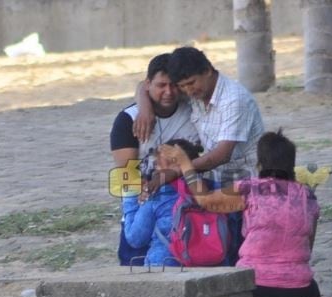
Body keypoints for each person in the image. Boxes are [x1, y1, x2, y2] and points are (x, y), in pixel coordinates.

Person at [135, 46, 265, 265]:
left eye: (191, 83)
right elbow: (146, 84)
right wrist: (145, 107)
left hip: (244, 187)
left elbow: (221, 155)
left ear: (207, 71)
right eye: (183, 86)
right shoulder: (195, 94)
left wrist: (175, 171)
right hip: (209, 185)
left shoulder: (234, 100)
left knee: (235, 253)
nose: (188, 90)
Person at [159, 130, 322, 297]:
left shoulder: (250, 189)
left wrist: (185, 164)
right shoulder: (308, 196)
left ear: (260, 164)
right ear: (292, 164)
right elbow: (307, 247)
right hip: (301, 288)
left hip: (255, 285)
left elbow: (204, 199)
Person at [110, 53, 199, 266]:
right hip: (145, 207)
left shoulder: (194, 111)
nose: (168, 92)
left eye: (174, 85)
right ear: (148, 84)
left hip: (188, 207)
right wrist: (137, 205)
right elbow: (127, 172)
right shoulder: (128, 120)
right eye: (161, 85)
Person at [122, 139, 203, 266]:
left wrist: (130, 197)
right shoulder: (207, 188)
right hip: (207, 262)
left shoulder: (158, 196)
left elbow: (135, 238)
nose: (153, 170)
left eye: (157, 164)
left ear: (176, 163)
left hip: (163, 264)